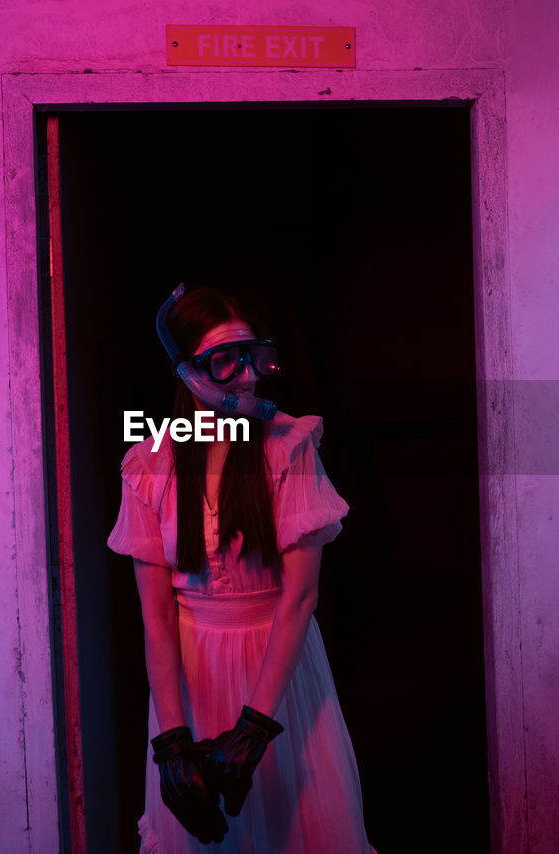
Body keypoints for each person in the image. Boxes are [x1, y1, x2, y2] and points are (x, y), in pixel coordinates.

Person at [108, 286, 376, 853]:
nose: (249, 376)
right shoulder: (150, 463)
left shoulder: (289, 447)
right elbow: (155, 612)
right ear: (189, 373)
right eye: (226, 361)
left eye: (254, 355)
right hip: (190, 675)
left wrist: (256, 727)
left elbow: (300, 597)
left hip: (277, 679)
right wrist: (173, 741)